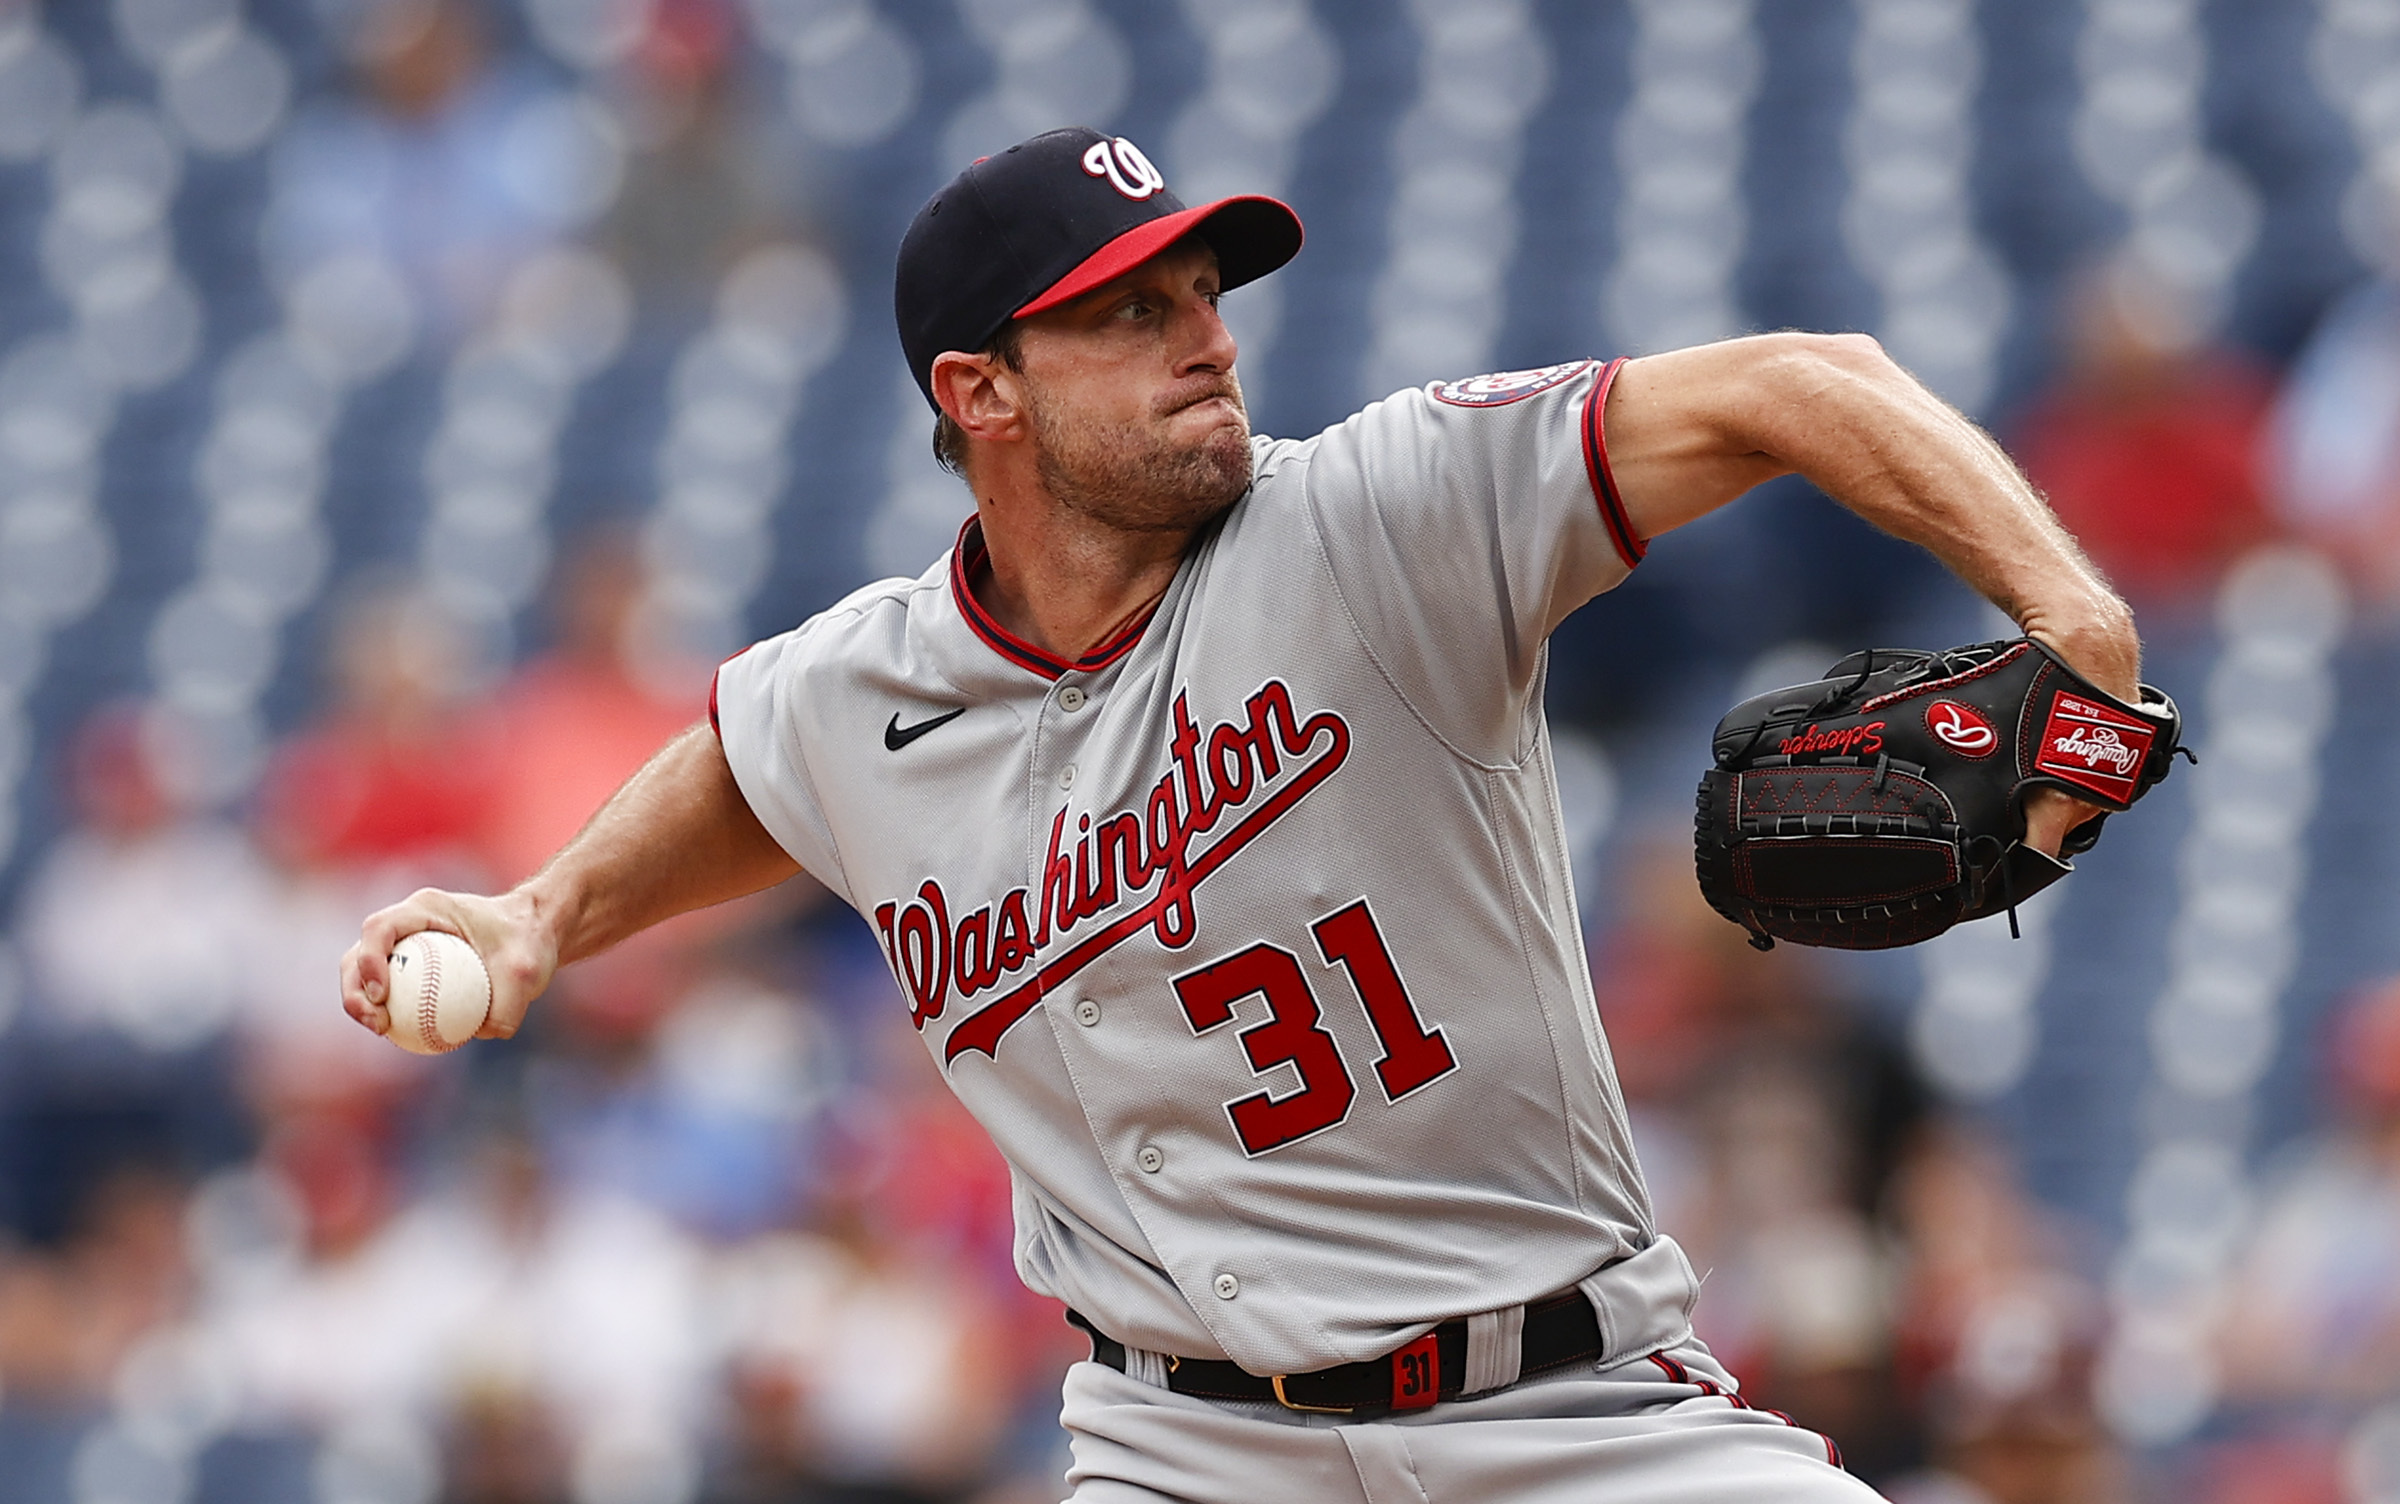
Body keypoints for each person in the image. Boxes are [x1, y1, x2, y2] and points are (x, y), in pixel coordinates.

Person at [343, 127, 2140, 1502]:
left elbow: (1797, 380)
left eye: (1205, 293)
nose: (1205, 339)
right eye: (1131, 313)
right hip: (1186, 1451)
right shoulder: (858, 689)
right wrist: (539, 917)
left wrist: (2079, 627)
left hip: (1569, 1415)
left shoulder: (1381, 515)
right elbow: (751, 761)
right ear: (982, 397)